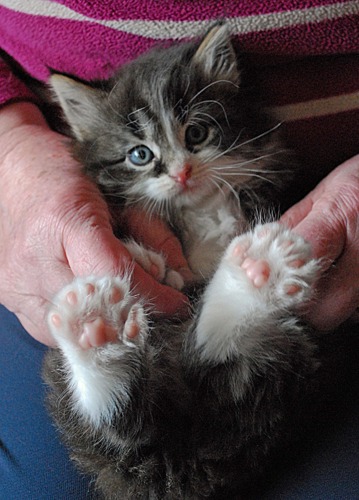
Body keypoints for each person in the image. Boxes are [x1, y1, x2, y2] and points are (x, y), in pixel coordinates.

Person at [0, 1, 358, 498]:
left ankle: (113, 377)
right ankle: (118, 373)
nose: (179, 172)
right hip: (58, 218)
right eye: (143, 156)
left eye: (196, 135)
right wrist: (10, 146)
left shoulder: (262, 196)